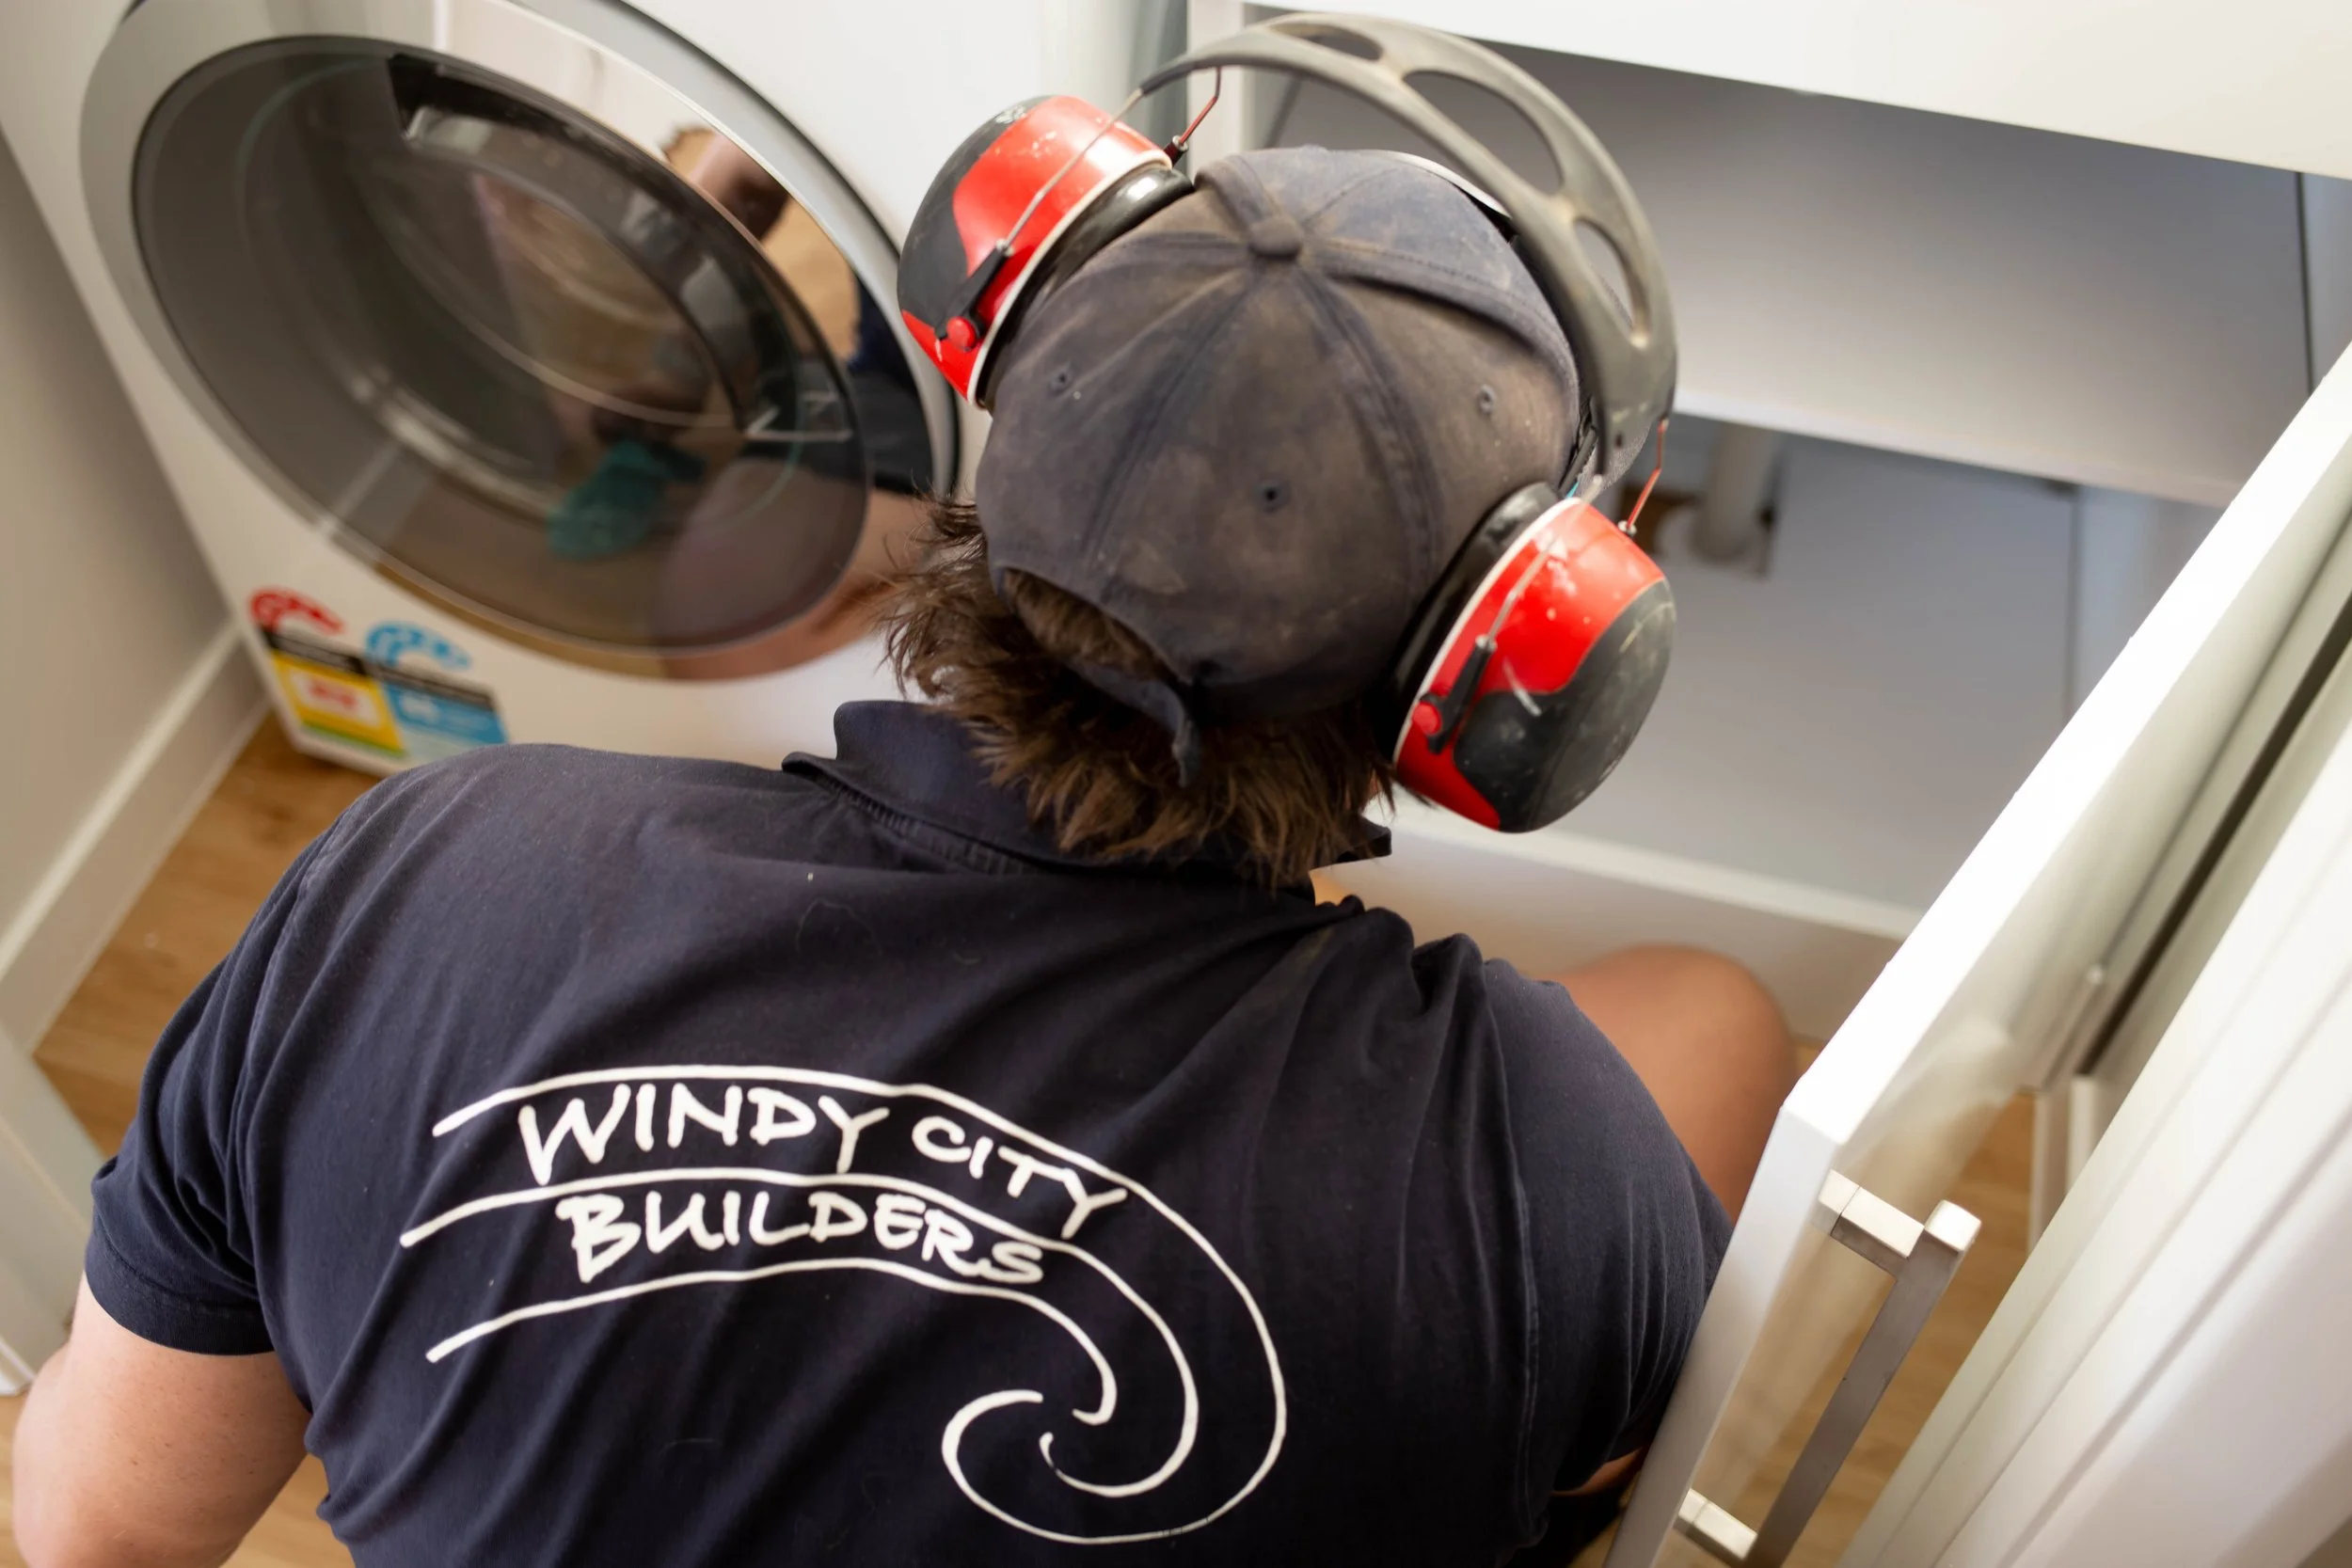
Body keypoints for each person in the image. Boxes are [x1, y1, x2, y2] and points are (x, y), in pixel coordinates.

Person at [12, 145, 1794, 1567]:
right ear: (1503, 681)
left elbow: (90, 1526)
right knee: (1708, 1012)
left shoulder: (420, 884)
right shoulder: (1538, 1181)